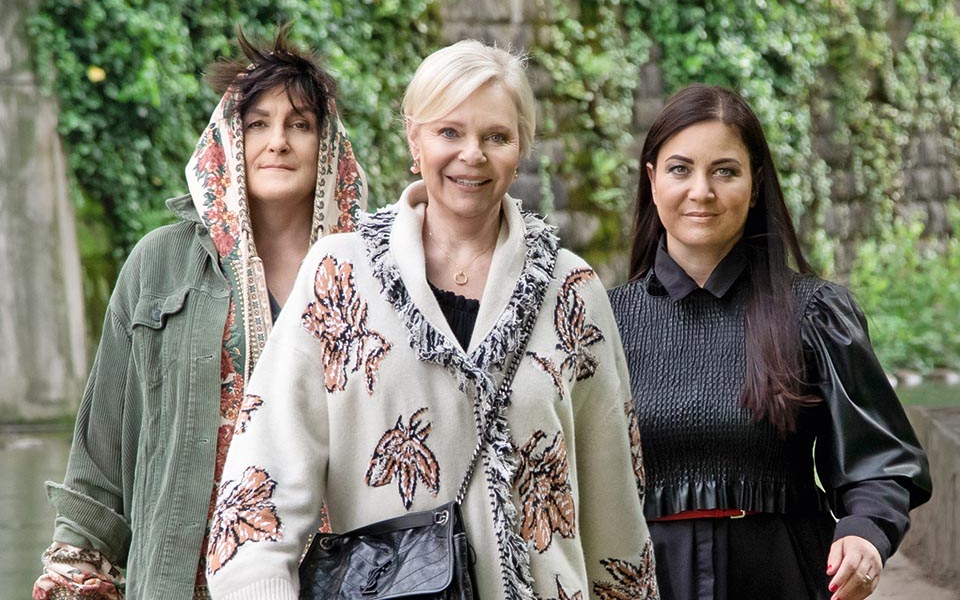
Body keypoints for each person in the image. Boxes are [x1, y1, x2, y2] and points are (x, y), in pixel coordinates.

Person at [204, 39, 659, 600]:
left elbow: (617, 522)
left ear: (521, 149)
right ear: (414, 141)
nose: (473, 154)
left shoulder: (572, 292)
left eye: (496, 137)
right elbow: (254, 505)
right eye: (449, 132)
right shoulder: (340, 276)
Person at [33, 26, 367, 600]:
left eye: (300, 124)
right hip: (182, 579)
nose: (277, 142)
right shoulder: (159, 265)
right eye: (257, 124)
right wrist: (74, 574)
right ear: (229, 138)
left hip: (334, 578)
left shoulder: (369, 274)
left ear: (328, 144)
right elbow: (99, 456)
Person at [607, 84, 932, 600]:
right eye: (680, 169)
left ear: (755, 185)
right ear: (652, 180)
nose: (701, 191)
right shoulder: (601, 323)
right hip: (643, 582)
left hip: (783, 578)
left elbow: (879, 461)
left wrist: (866, 531)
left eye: (725, 171)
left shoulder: (815, 313)